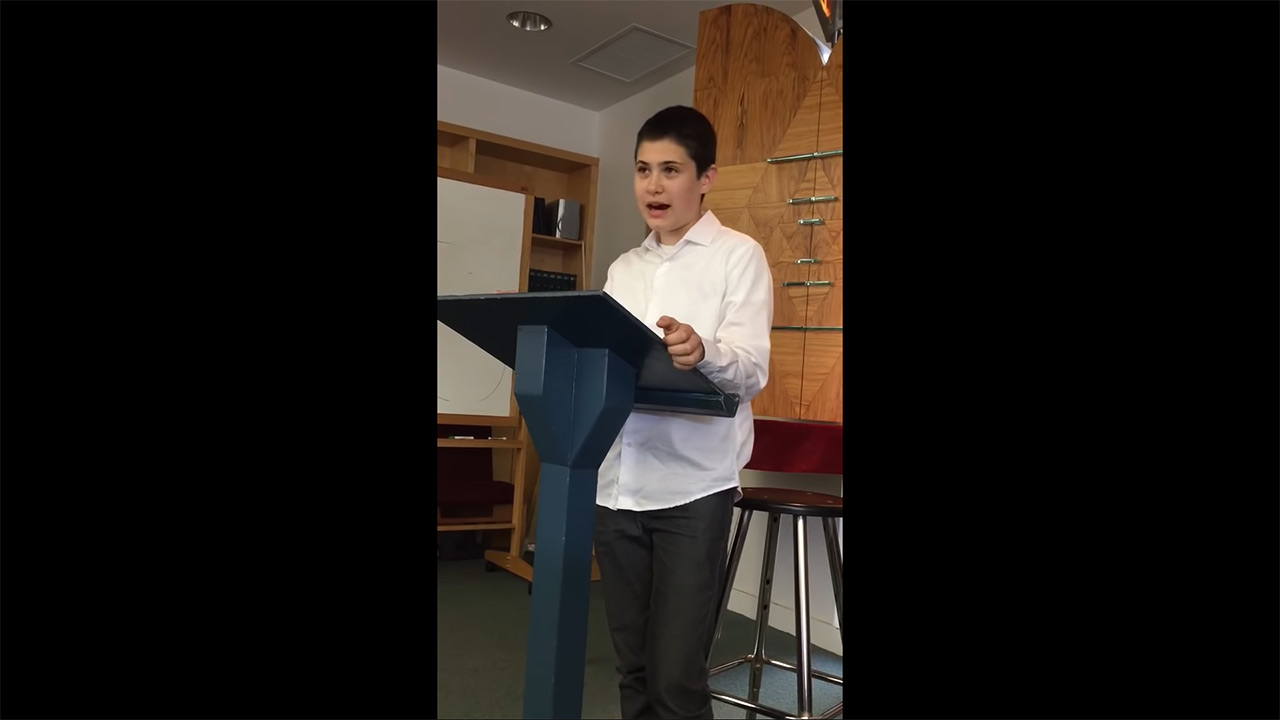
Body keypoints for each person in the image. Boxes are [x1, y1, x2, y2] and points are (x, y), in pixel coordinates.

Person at [595, 105, 774, 719]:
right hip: (616, 483)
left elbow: (752, 370)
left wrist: (705, 353)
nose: (653, 185)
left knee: (676, 679)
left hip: (694, 489)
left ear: (706, 178)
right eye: (643, 169)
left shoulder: (738, 256)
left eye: (671, 169)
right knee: (635, 669)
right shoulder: (623, 269)